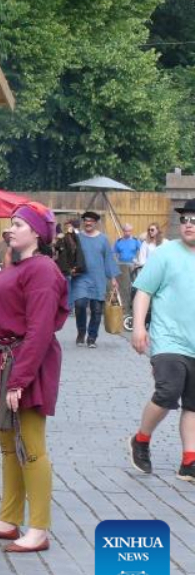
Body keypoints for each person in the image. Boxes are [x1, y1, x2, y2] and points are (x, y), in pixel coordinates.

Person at [0, 203, 67, 553]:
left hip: (22, 364)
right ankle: (9, 519)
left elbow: (40, 329)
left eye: (19, 224)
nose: (11, 229)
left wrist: (18, 380)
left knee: (31, 449)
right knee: (9, 447)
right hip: (0, 361)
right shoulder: (18, 266)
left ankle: (38, 529)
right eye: (11, 223)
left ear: (38, 233)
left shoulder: (42, 269)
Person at [128, 200, 195, 482]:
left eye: (194, 220)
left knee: (193, 404)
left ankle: (189, 461)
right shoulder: (166, 253)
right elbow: (144, 291)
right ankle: (141, 439)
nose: (189, 224)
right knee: (168, 392)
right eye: (185, 219)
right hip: (169, 341)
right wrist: (138, 327)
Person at [71, 210, 119, 348]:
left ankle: (92, 338)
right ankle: (81, 333)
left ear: (96, 223)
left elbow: (108, 258)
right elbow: (71, 255)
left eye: (91, 221)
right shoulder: (78, 238)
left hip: (98, 279)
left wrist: (113, 278)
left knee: (96, 310)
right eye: (86, 220)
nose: (88, 223)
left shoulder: (103, 239)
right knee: (80, 304)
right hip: (81, 277)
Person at [53, 218, 84, 310]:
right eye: (66, 225)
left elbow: (73, 251)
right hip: (65, 266)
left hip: (69, 266)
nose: (67, 227)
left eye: (68, 225)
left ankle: (69, 306)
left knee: (69, 286)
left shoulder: (74, 236)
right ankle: (69, 305)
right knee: (68, 286)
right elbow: (59, 248)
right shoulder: (66, 236)